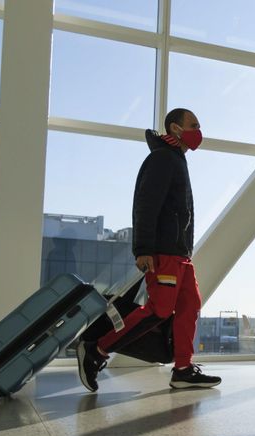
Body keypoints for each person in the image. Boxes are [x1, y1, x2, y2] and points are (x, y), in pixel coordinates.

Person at [76, 108, 221, 391]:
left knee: (190, 306)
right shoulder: (162, 159)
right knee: (159, 310)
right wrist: (143, 249)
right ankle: (97, 349)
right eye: (193, 125)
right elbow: (145, 205)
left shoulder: (176, 159)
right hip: (164, 253)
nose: (198, 131)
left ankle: (183, 369)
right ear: (175, 128)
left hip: (180, 255)